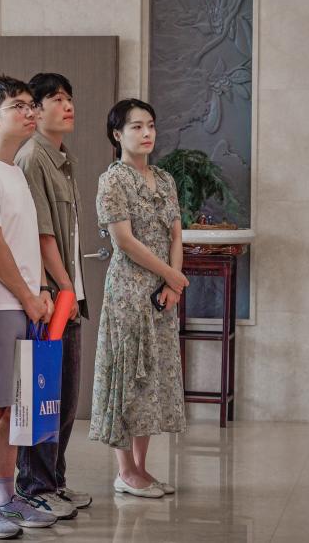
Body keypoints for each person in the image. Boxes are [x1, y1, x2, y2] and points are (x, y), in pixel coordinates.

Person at [0, 77, 58, 534]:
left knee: (12, 407)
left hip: (24, 303)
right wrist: (25, 294)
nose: (29, 113)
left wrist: (40, 291)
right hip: (1, 303)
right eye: (18, 106)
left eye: (30, 105)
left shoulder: (15, 170)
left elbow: (25, 242)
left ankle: (6, 493)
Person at [90, 99, 188, 497]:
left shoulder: (165, 179)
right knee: (128, 375)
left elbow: (176, 234)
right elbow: (124, 241)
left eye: (150, 125)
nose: (146, 133)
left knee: (152, 378)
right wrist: (171, 276)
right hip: (129, 292)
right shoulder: (113, 180)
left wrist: (172, 285)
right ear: (117, 134)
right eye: (136, 127)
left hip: (163, 294)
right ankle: (125, 470)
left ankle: (142, 469)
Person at [13, 73, 91, 518]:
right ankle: (34, 484)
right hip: (52, 298)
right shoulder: (32, 158)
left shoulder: (64, 159)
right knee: (42, 393)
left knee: (64, 397)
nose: (68, 106)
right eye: (56, 99)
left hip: (69, 296)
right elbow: (42, 236)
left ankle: (54, 481)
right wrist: (63, 287)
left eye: (69, 98)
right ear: (36, 111)